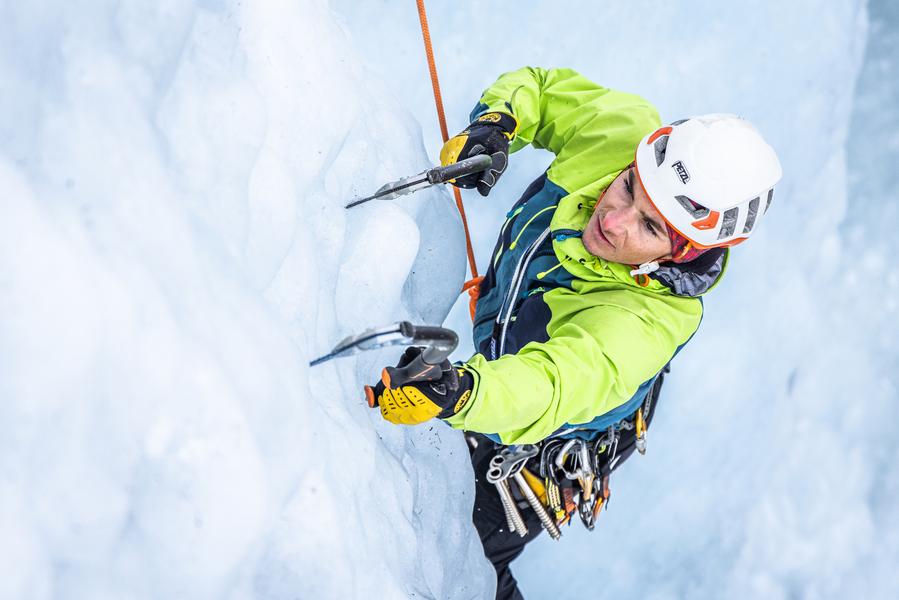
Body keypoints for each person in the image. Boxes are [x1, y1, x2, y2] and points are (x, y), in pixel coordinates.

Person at [365, 66, 782, 599]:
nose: (614, 218)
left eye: (650, 227)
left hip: (546, 446)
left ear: (686, 252)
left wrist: (464, 392)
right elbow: (540, 88)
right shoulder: (620, 129)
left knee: (457, 559)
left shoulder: (644, 326)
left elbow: (552, 384)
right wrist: (498, 124)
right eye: (628, 186)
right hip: (514, 353)